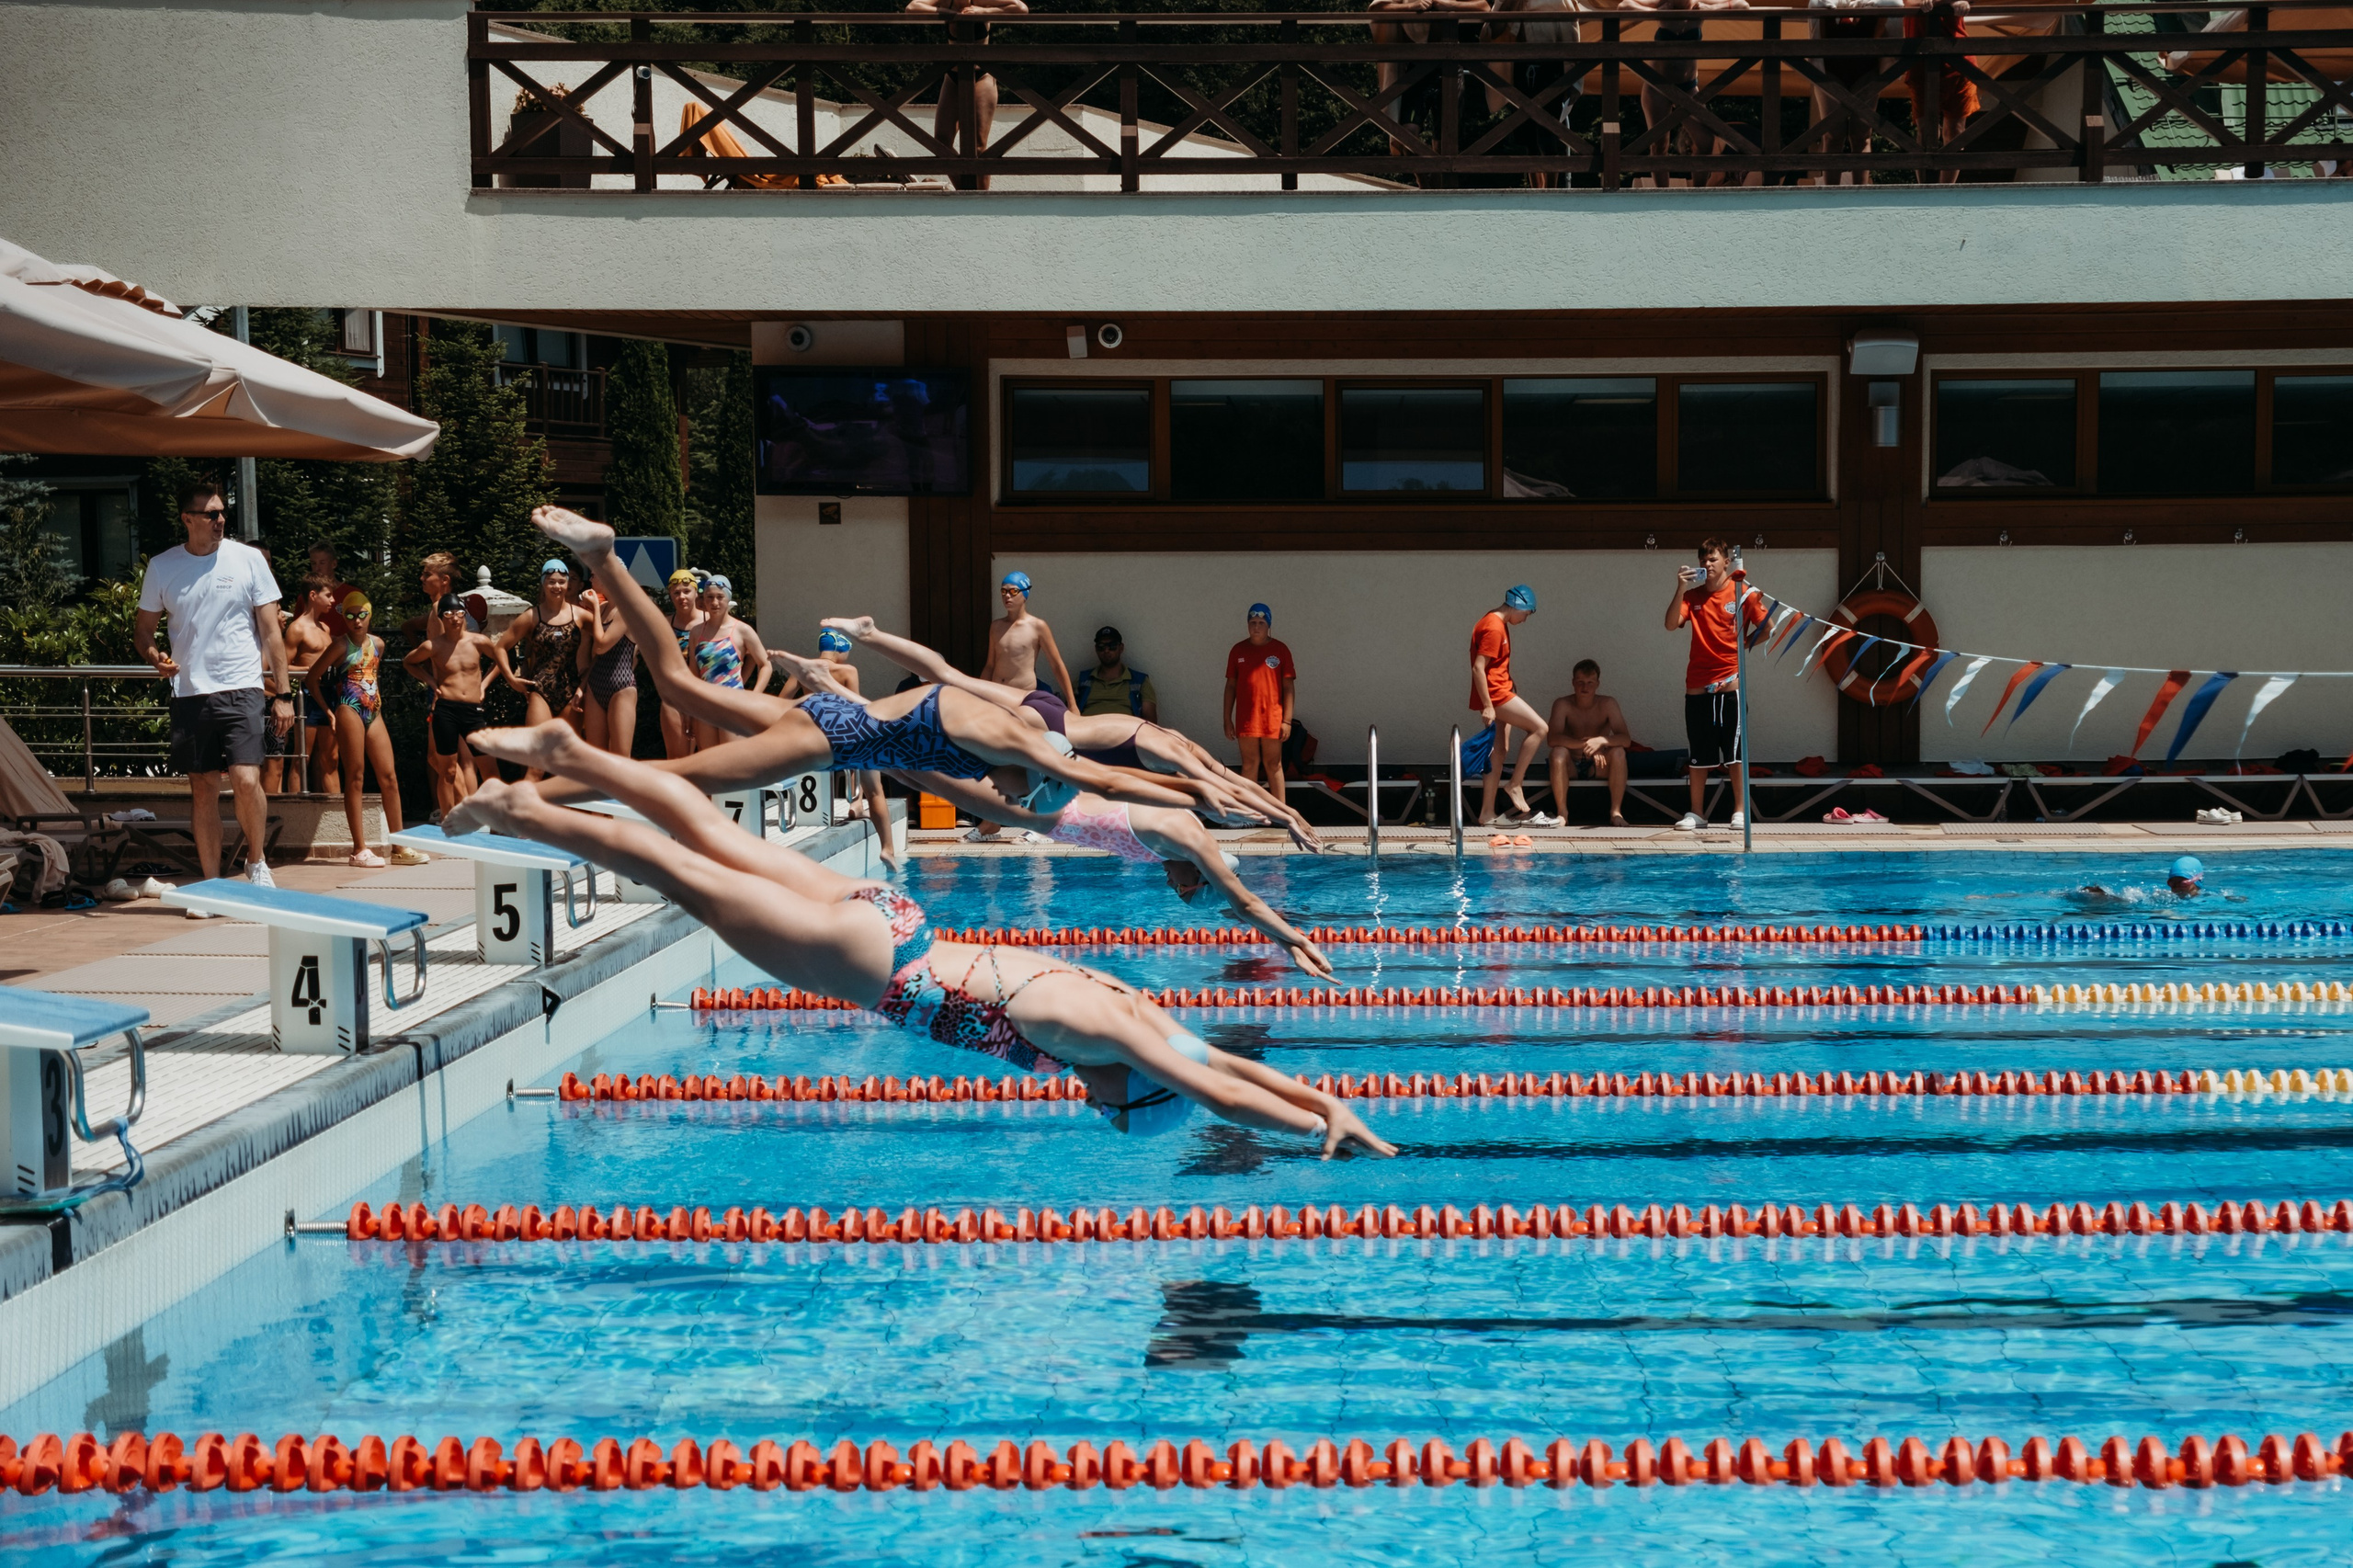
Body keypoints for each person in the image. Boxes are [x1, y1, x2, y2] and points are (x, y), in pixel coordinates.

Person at [445, 722, 1388, 1153]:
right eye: (1115, 1111)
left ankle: (578, 757)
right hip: (876, 966)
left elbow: (1213, 1058)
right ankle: (524, 809)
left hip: (901, 920)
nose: (1097, 1108)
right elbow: (1214, 1083)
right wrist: (1316, 1123)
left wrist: (1313, 1093)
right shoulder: (1108, 1041)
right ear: (1130, 1092)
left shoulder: (1134, 1012)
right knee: (679, 870)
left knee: (714, 835)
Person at [521, 506, 1251, 823]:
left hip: (837, 719)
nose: (1010, 796)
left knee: (677, 682)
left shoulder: (988, 745)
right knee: (669, 779)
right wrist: (1202, 796)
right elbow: (1100, 776)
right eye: (1024, 793)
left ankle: (604, 557)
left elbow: (934, 685)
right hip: (830, 737)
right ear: (1038, 771)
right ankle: (529, 800)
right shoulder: (1009, 743)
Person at [827, 617, 1323, 851]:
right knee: (938, 752)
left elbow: (1222, 777)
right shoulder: (1166, 745)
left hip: (1054, 719)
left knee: (950, 683)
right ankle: (858, 679)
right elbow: (1216, 783)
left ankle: (868, 640)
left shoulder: (1166, 739)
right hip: (1053, 729)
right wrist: (1286, 815)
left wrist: (1283, 814)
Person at [133, 481, 292, 908]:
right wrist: (154, 656)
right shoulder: (163, 566)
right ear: (188, 519)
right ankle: (210, 886)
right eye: (211, 514)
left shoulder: (248, 560)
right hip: (190, 692)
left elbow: (272, 632)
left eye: (223, 513)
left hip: (242, 686)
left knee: (245, 779)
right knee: (202, 789)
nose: (221, 520)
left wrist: (284, 693)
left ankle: (256, 862)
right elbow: (143, 629)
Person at [306, 594, 426, 868]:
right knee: (356, 776)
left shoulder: (378, 644)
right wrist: (328, 711)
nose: (356, 620)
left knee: (389, 777)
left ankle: (399, 846)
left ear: (370, 615)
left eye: (361, 614)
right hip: (349, 708)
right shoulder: (339, 646)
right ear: (343, 618)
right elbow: (313, 678)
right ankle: (359, 849)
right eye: (350, 615)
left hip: (374, 710)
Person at [1665, 539, 1768, 832]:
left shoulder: (1743, 592)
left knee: (1734, 754)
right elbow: (1671, 624)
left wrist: (1745, 642)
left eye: (1712, 559)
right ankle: (1696, 812)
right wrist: (1681, 588)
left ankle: (1739, 811)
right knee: (1698, 755)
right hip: (1697, 687)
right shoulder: (1692, 596)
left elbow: (1768, 629)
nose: (1706, 565)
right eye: (1703, 560)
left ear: (1726, 562)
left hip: (1729, 687)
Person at [777, 626, 897, 869]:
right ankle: (885, 846)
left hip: (812, 737)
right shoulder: (847, 670)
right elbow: (855, 707)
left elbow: (781, 702)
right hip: (845, 733)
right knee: (875, 789)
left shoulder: (802, 669)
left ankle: (854, 802)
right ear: (840, 650)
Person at [403, 592, 516, 805]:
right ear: (441, 618)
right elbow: (409, 662)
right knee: (449, 771)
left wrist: (484, 684)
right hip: (446, 709)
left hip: (473, 711)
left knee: (489, 768)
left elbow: (503, 658)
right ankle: (448, 821)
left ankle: (500, 818)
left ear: (464, 615)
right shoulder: (433, 646)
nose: (454, 617)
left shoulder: (478, 642)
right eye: (448, 613)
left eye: (459, 613)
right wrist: (432, 682)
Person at [904, 0, 1029, 191]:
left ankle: (982, 201)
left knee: (979, 147)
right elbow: (911, 8)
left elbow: (1021, 8)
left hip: (982, 76)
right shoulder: (947, 0)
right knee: (941, 142)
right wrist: (947, 12)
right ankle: (967, 194)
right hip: (953, 76)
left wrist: (982, 11)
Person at [1470, 585, 1560, 827]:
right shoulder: (1494, 627)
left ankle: (1487, 813)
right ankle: (1515, 784)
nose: (1525, 620)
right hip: (1496, 695)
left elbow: (1494, 665)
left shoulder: (1495, 621)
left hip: (1501, 690)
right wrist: (1488, 705)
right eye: (1527, 614)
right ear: (1518, 607)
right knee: (1540, 728)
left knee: (1498, 752)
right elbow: (1479, 667)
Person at [496, 559, 590, 776]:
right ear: (543, 584)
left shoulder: (582, 615)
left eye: (561, 582)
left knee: (569, 765)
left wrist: (584, 683)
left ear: (568, 584)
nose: (556, 587)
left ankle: (566, 810)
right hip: (540, 691)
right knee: (535, 764)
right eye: (551, 582)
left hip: (571, 693)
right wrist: (511, 679)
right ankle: (528, 809)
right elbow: (501, 647)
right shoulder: (532, 616)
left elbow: (604, 644)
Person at [411, 551, 469, 817]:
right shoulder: (445, 608)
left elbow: (451, 653)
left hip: (445, 692)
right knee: (442, 758)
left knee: (442, 759)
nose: (422, 578)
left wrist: (436, 687)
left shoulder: (440, 610)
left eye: (427, 575)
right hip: (446, 689)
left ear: (444, 580)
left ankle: (467, 812)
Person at [1224, 605, 1296, 808]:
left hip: (1273, 718)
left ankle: (1283, 814)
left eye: (1261, 623)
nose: (1256, 627)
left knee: (1274, 764)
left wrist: (1287, 720)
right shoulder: (1238, 650)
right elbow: (1230, 686)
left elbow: (1288, 686)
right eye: (1253, 623)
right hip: (1246, 719)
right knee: (1249, 764)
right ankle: (1249, 813)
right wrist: (1226, 719)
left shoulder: (1281, 649)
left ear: (1269, 626)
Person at [1548, 658, 1634, 827]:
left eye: (1589, 683)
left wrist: (1601, 740)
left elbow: (1625, 739)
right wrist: (1586, 745)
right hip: (1570, 764)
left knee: (1618, 752)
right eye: (1580, 682)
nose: (1585, 687)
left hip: (1598, 765)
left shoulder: (1608, 704)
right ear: (1573, 682)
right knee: (1558, 752)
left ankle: (1616, 812)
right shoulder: (1563, 704)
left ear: (1597, 684)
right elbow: (1553, 739)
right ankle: (1562, 812)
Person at [279, 573, 343, 797]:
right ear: (313, 595)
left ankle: (337, 812)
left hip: (329, 694)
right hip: (307, 696)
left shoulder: (324, 628)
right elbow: (283, 667)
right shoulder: (297, 629)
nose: (333, 601)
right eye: (328, 595)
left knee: (331, 758)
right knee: (301, 757)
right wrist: (311, 671)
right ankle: (297, 812)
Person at [982, 570, 1076, 710]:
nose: (1007, 596)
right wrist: (978, 694)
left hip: (1023, 698)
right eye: (1003, 591)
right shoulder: (996, 626)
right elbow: (990, 665)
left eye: (1013, 591)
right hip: (998, 696)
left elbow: (1057, 665)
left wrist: (1072, 704)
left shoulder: (1038, 627)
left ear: (1025, 594)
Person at [578, 583, 641, 758]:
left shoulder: (626, 610)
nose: (590, 579)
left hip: (622, 687)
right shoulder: (603, 608)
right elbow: (594, 656)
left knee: (620, 758)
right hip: (596, 683)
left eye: (594, 574)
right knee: (597, 758)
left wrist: (595, 608)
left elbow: (601, 645)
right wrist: (582, 686)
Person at [658, 569, 706, 759]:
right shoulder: (664, 624)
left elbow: (744, 652)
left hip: (705, 697)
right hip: (674, 697)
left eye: (686, 591)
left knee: (708, 760)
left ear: (696, 593)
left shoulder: (709, 621)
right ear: (670, 595)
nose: (682, 597)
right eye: (676, 593)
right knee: (677, 759)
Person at [1076, 626, 1158, 722]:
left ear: (1121, 648)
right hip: (1088, 733)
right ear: (1096, 649)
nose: (1106, 650)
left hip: (1125, 734)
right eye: (1101, 647)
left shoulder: (1140, 681)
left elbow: (1151, 721)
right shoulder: (1081, 680)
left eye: (1112, 646)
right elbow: (1067, 714)